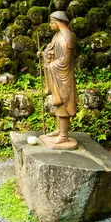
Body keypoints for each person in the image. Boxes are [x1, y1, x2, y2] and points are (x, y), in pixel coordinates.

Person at [42, 11, 78, 145]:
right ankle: (59, 130)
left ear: (58, 23)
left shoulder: (66, 37)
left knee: (63, 103)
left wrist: (50, 65)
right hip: (57, 75)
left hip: (63, 76)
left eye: (52, 22)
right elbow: (52, 51)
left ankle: (64, 135)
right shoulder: (57, 36)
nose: (51, 25)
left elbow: (65, 61)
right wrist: (45, 54)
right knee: (58, 103)